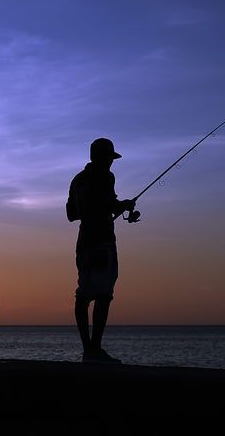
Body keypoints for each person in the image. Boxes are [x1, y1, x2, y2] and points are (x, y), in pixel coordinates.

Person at [67, 137, 135, 364]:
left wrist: (103, 208)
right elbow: (109, 204)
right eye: (109, 158)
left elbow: (71, 214)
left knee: (83, 295)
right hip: (102, 241)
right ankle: (94, 349)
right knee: (103, 295)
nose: (111, 162)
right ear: (102, 157)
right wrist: (123, 205)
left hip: (83, 243)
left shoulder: (77, 179)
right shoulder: (105, 176)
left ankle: (88, 349)